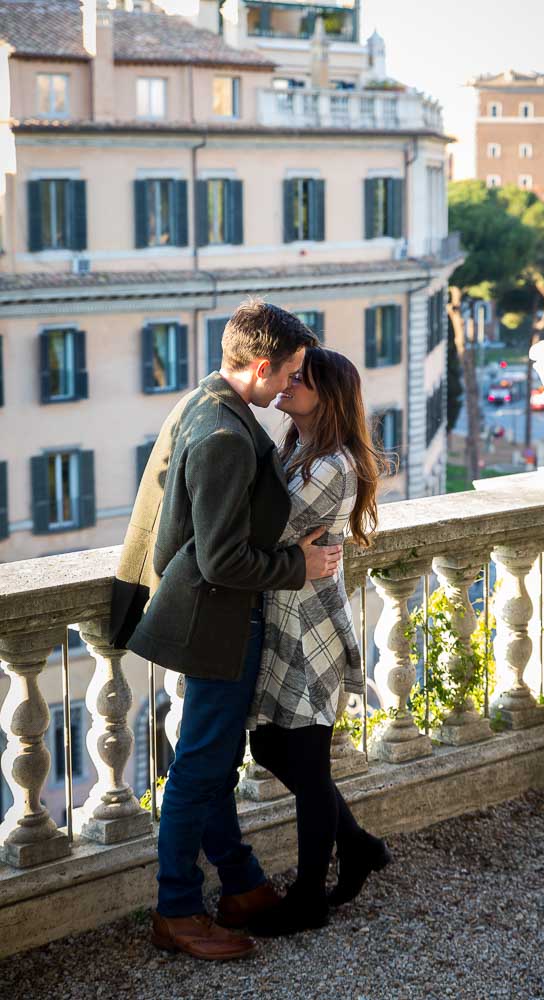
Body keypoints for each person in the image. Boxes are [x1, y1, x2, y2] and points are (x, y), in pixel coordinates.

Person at [110, 301, 343, 962]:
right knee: (198, 771)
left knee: (208, 762)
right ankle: (177, 910)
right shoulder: (223, 435)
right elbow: (221, 559)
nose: (292, 385)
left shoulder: (206, 402)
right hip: (214, 624)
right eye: (291, 372)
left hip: (211, 620)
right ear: (263, 366)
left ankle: (238, 882)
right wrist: (297, 565)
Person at [237, 346, 391, 938]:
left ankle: (308, 898)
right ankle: (354, 845)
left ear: (326, 395)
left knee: (301, 756)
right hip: (286, 618)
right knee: (276, 750)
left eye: (299, 378)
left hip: (311, 629)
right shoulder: (298, 448)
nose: (286, 381)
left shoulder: (335, 465)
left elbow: (264, 528)